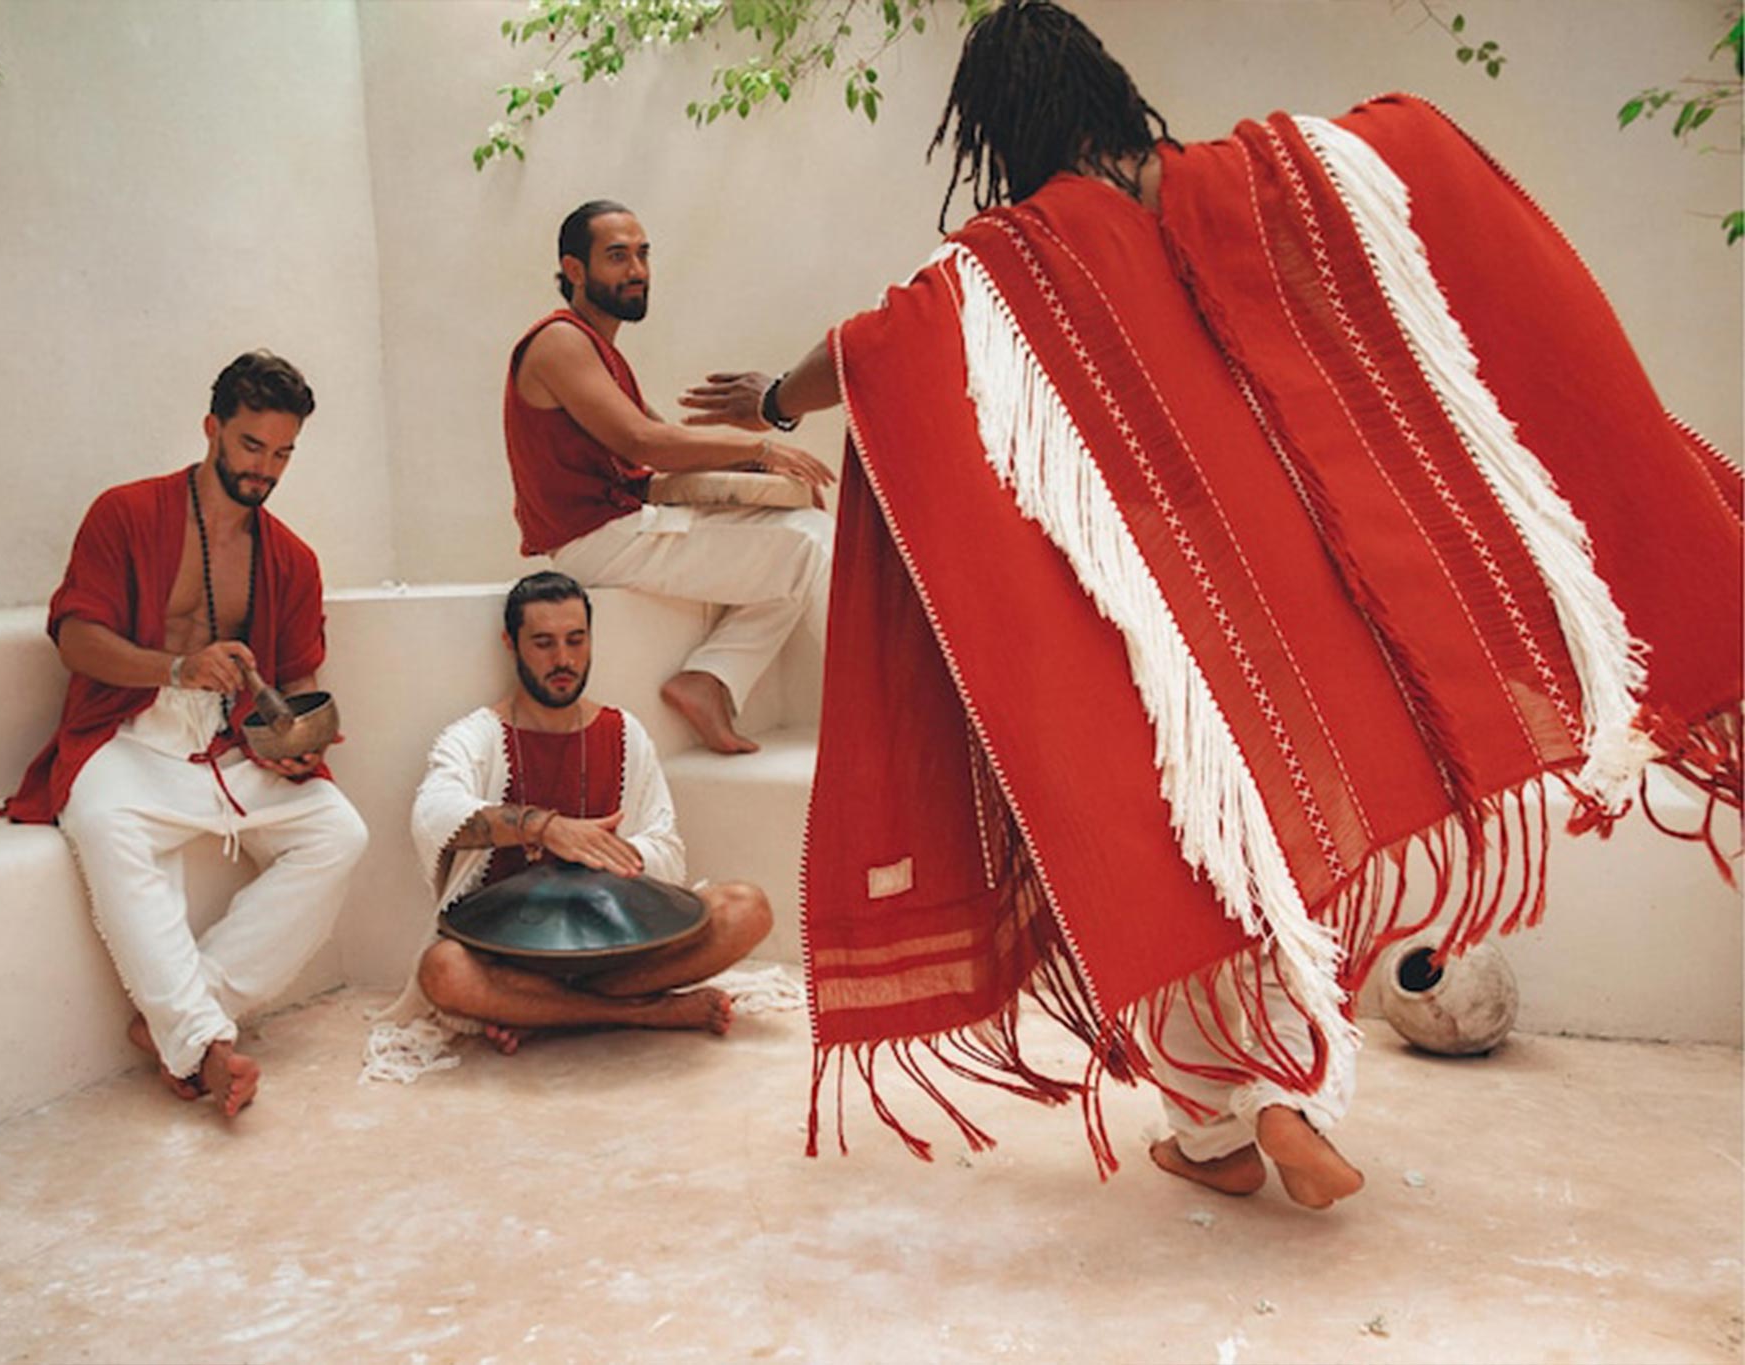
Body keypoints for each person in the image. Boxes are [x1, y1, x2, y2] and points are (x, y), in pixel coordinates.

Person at [688, 0, 1741, 1209]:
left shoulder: (1004, 262)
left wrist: (772, 401)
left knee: (1182, 847)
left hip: (1163, 621)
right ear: (1104, 86)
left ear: (994, 125)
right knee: (1307, 829)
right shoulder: (1267, 173)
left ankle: (1250, 1103)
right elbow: (1402, 152)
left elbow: (875, 343)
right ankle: (1232, 1123)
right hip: (1314, 587)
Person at [0, 351, 370, 1117]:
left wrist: (300, 735)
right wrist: (176, 668)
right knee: (103, 822)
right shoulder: (127, 512)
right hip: (129, 732)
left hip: (229, 745)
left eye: (282, 454)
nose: (264, 469)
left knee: (340, 832)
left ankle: (186, 1009)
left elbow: (299, 675)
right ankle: (202, 1044)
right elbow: (75, 637)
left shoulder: (292, 559)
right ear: (212, 429)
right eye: (249, 446)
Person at [504, 200, 839, 755]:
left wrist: (754, 439)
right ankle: (882, 715)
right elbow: (642, 442)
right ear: (575, 270)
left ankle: (709, 680)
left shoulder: (597, 349)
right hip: (596, 537)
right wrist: (759, 447)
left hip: (621, 527)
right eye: (617, 256)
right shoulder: (559, 341)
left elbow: (657, 442)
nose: (636, 271)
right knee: (811, 548)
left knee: (800, 531)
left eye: (642, 255)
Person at [401, 571, 774, 1055]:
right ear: (511, 644)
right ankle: (644, 1012)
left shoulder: (624, 732)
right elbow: (433, 812)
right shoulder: (476, 736)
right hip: (515, 959)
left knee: (748, 908)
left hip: (621, 950)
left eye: (576, 641)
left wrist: (596, 855)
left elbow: (666, 849)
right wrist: (545, 829)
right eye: (543, 643)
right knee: (443, 970)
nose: (563, 660)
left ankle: (548, 1012)